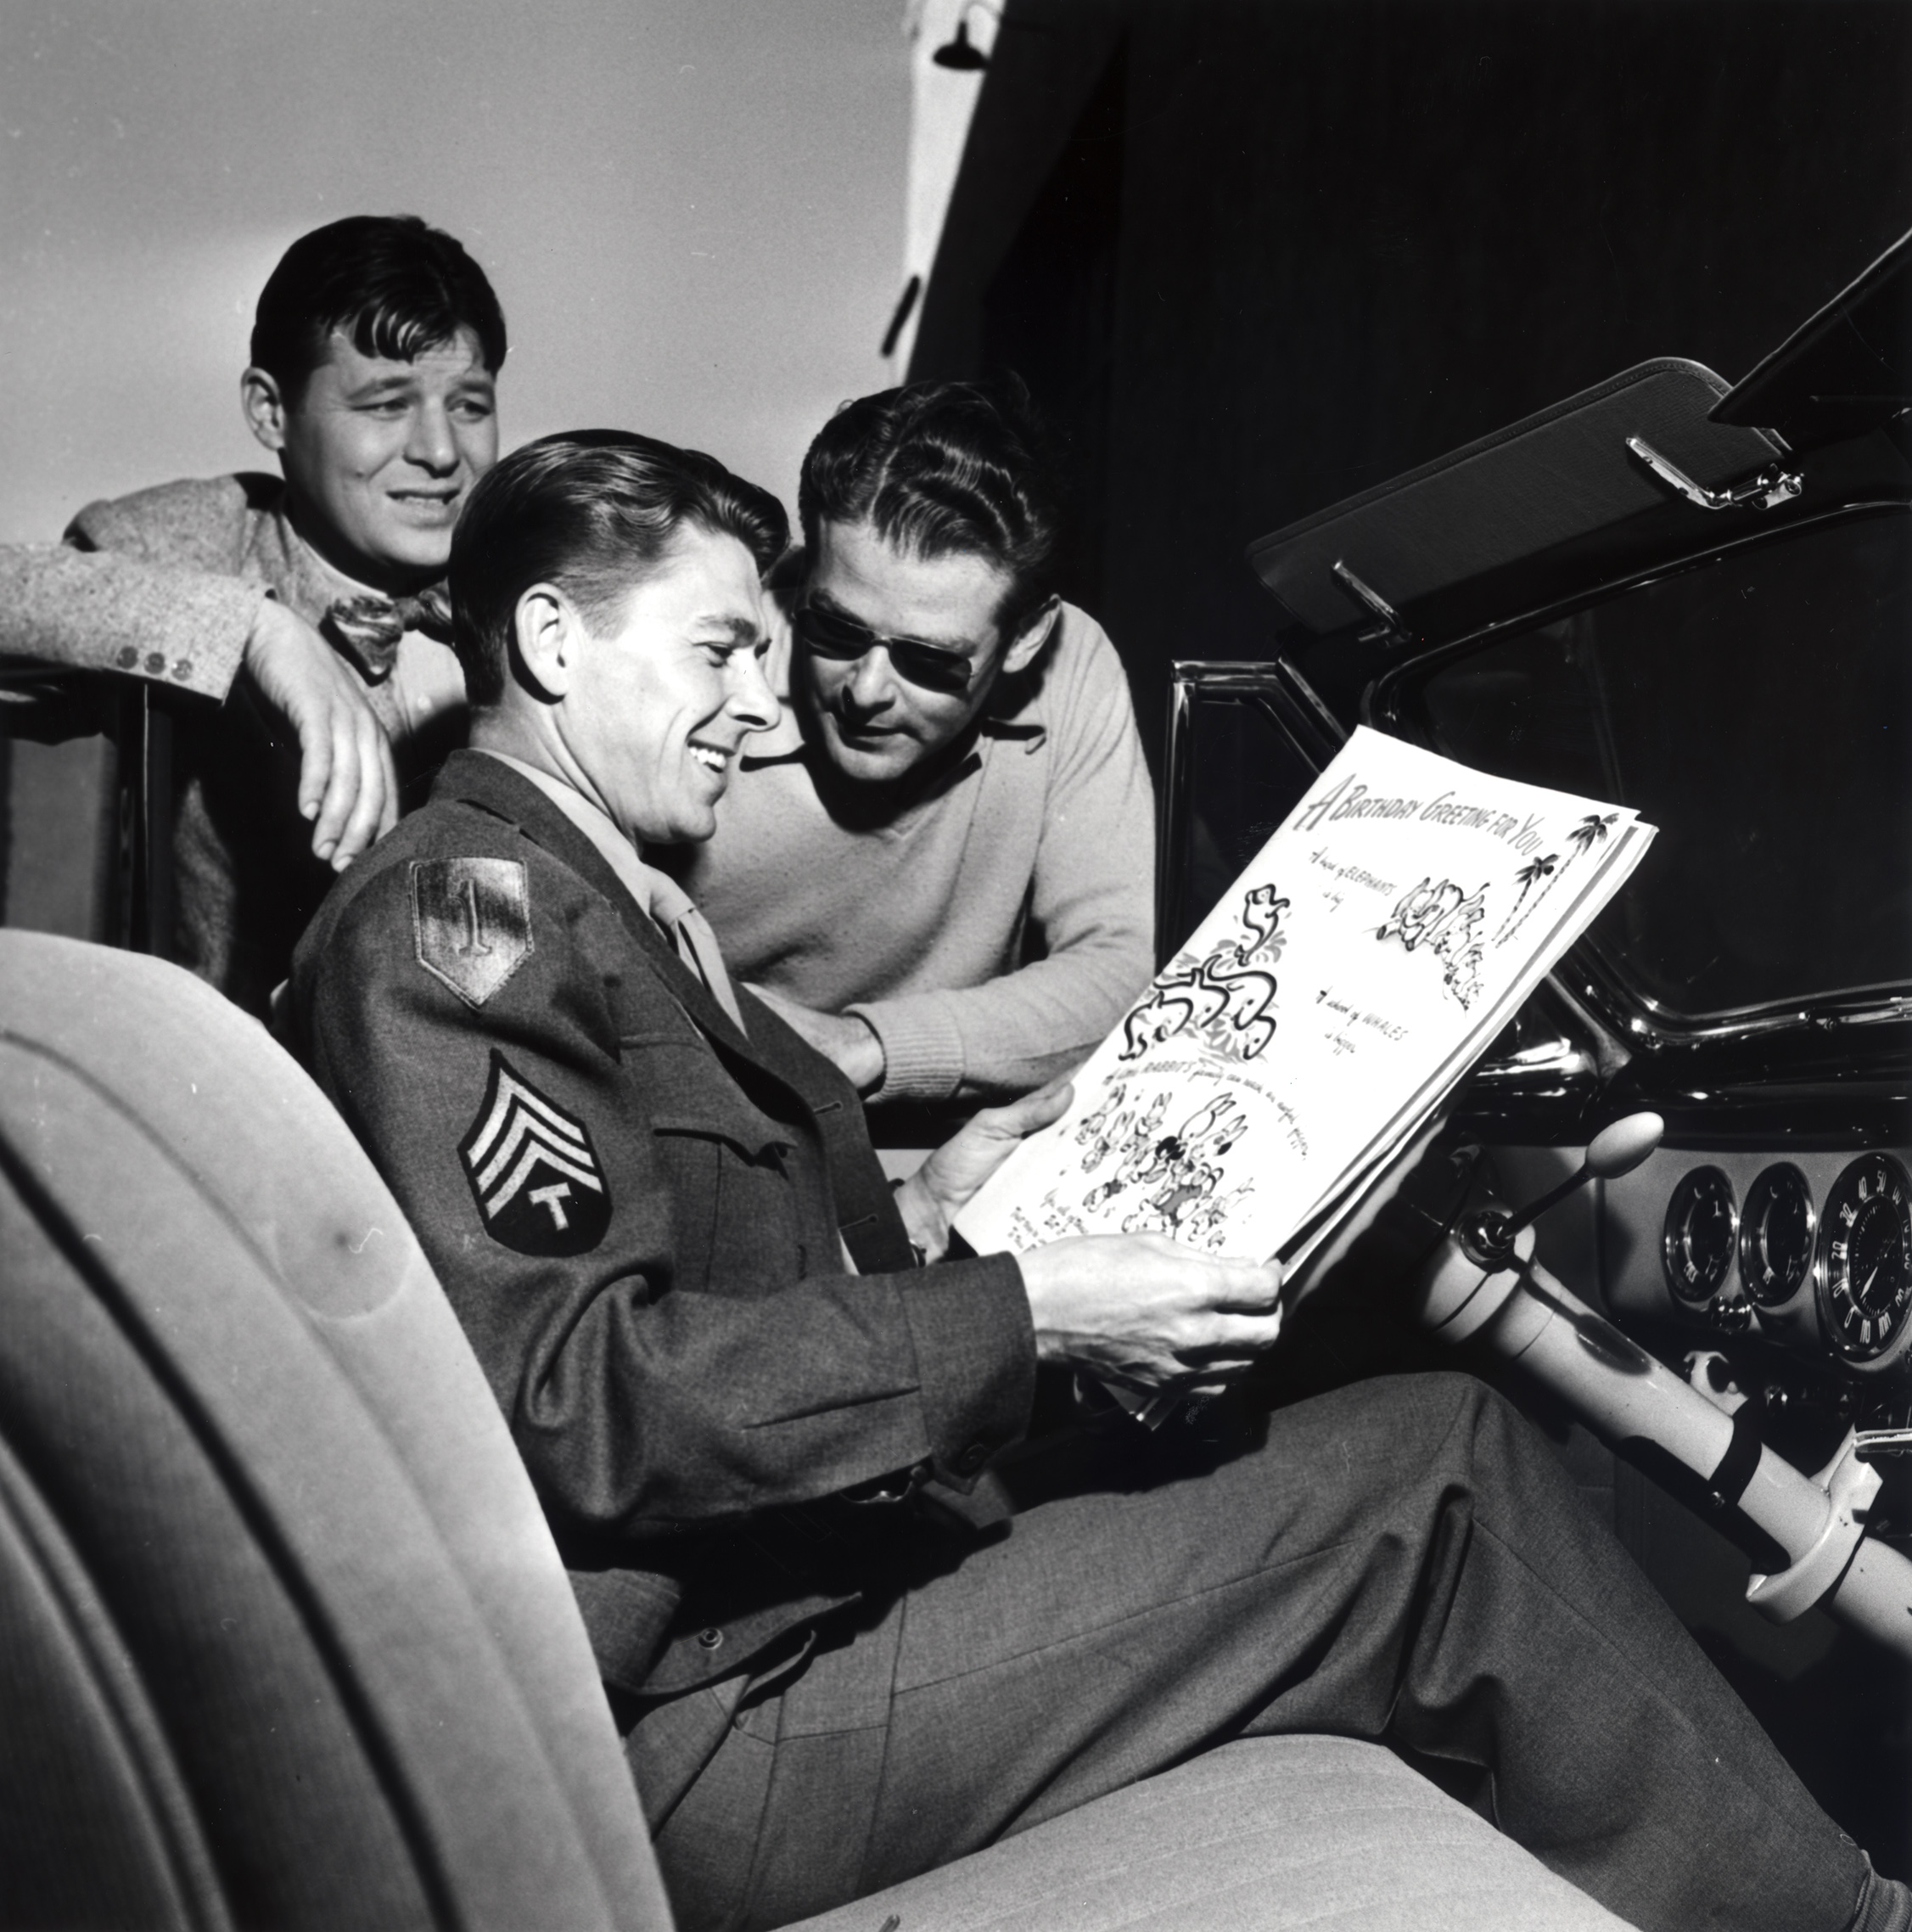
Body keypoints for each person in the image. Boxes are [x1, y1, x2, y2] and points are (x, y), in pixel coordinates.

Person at [289, 432, 1909, 1932]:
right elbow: (577, 1401)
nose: (766, 710)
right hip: (697, 1725)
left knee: (1413, 1436)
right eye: (718, 651)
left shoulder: (607, 908)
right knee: (1439, 1482)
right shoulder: (461, 929)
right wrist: (1022, 1314)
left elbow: (700, 1284)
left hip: (778, 1607)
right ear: (556, 643)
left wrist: (933, 1218)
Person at [0, 212, 504, 1014]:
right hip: (264, 1094)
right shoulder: (196, 540)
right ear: (270, 412)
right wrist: (251, 631)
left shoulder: (532, 561)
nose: (442, 453)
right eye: (385, 405)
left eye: (470, 405)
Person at [664, 379, 1153, 1118]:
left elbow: (1124, 969)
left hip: (944, 1132)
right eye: (834, 630)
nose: (865, 692)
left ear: (1025, 638)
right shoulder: (705, 656)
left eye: (927, 660)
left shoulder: (1074, 665)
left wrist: (863, 1047)